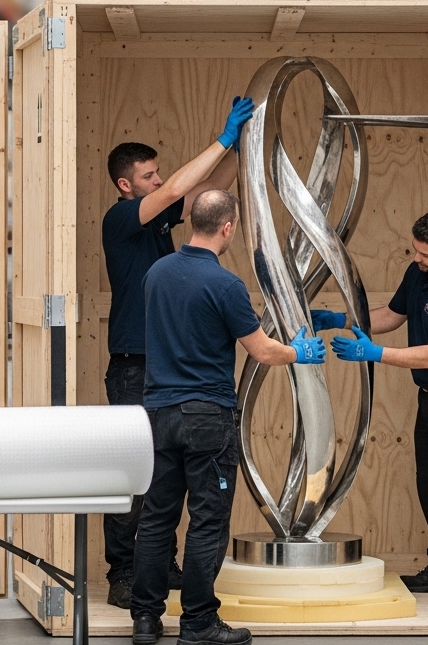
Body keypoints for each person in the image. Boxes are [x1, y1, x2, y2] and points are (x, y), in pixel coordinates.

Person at [131, 190, 326, 645]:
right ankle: (198, 622)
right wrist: (300, 351)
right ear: (228, 227)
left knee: (156, 518)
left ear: (194, 221)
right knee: (208, 520)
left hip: (157, 413)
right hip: (206, 417)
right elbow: (261, 350)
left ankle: (145, 619)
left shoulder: (156, 274)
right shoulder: (225, 285)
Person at [100, 97, 255, 608]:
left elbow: (206, 196)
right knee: (133, 475)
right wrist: (223, 137)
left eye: (156, 173)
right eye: (148, 176)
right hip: (132, 367)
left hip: (161, 374)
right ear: (127, 185)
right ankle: (123, 571)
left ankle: (157, 569)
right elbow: (176, 190)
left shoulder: (160, 226)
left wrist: (239, 149)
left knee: (162, 483)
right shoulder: (121, 219)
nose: (157, 180)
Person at [316, 209, 428, 609]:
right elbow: (393, 316)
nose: (418, 259)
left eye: (426, 255)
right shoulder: (419, 273)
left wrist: (373, 353)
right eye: (415, 251)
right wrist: (342, 319)